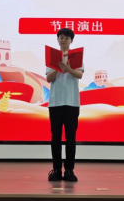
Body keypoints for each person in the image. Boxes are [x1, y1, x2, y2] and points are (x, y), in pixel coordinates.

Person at [46, 28, 84, 182]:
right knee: (55, 137)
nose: (63, 40)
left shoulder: (76, 56)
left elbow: (79, 75)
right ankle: (56, 170)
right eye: (61, 37)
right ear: (58, 39)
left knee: (70, 138)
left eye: (66, 38)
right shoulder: (52, 57)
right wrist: (58, 68)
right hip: (55, 103)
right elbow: (49, 78)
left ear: (71, 40)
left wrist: (68, 68)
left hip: (72, 103)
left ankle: (69, 170)